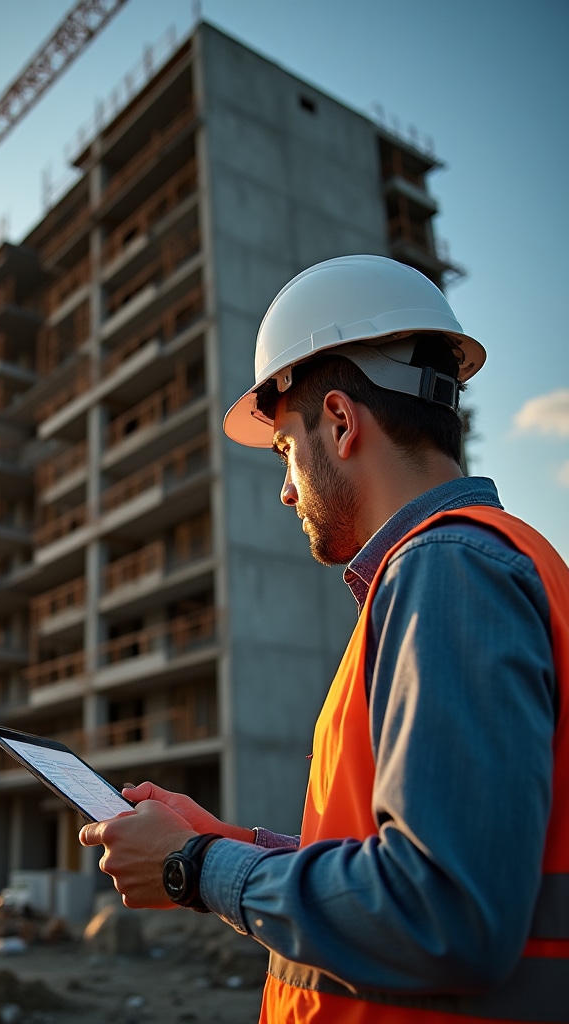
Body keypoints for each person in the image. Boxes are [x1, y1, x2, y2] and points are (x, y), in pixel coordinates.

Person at [79, 254, 568, 1022]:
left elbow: (445, 914)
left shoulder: (447, 571)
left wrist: (194, 868)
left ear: (339, 422)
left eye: (283, 450)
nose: (283, 488)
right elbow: (402, 872)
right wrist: (224, 842)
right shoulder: (472, 566)